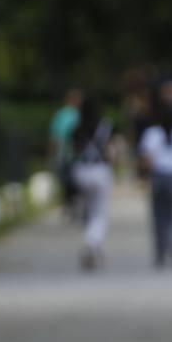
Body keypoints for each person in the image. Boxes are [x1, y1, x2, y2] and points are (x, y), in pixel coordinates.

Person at [136, 88, 172, 268]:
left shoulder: (152, 134)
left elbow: (147, 161)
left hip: (159, 177)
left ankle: (160, 252)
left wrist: (145, 178)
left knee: (158, 217)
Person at [69, 99, 115, 271]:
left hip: (81, 172)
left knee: (88, 211)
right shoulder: (105, 126)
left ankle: (95, 244)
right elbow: (111, 151)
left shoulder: (77, 128)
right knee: (100, 213)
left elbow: (72, 150)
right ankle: (92, 242)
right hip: (100, 171)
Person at [48, 89, 83, 220]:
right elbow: (55, 136)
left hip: (75, 154)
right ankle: (69, 203)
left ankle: (72, 203)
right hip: (65, 152)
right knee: (66, 179)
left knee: (72, 180)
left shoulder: (78, 114)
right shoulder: (63, 115)